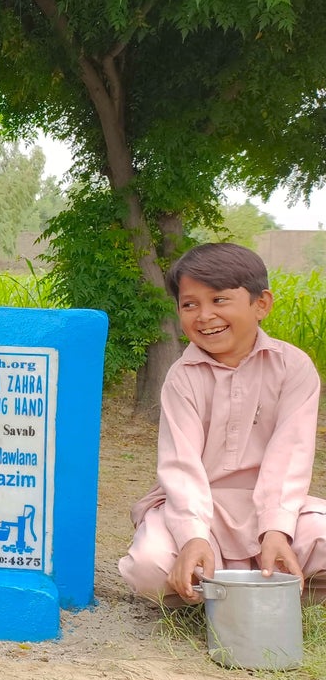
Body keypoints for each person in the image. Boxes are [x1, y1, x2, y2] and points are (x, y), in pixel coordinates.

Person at [119, 242, 326, 605]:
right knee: (148, 568)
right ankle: (221, 590)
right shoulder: (182, 377)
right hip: (200, 509)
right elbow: (181, 467)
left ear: (261, 304)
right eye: (189, 304)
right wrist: (193, 537)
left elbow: (290, 456)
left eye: (219, 300)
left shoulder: (293, 368)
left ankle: (272, 587)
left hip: (274, 507)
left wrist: (276, 530)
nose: (204, 316)